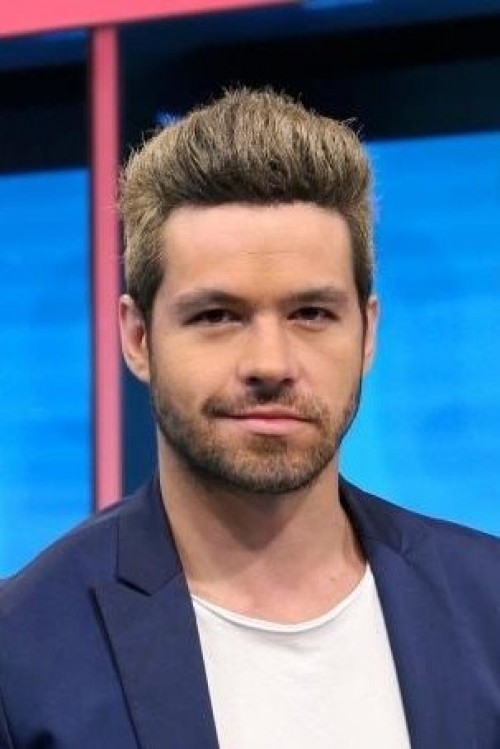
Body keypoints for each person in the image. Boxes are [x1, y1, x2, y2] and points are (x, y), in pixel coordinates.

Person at [0, 88, 499, 749]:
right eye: (217, 316)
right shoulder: (20, 655)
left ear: (368, 331)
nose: (270, 363)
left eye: (311, 313)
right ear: (137, 337)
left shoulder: (488, 603)